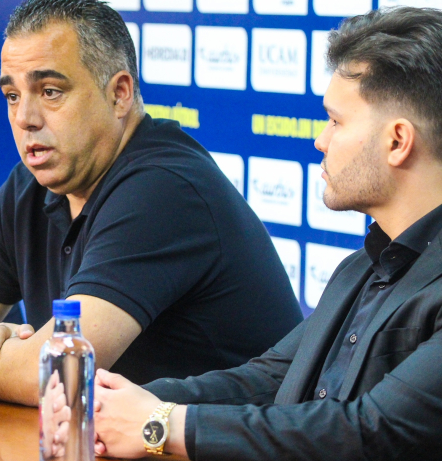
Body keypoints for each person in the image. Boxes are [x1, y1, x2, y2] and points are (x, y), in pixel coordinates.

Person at [0, 0, 302, 406]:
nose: (25, 118)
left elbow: (56, 373)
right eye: (12, 95)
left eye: (50, 92)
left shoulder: (164, 189)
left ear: (119, 94)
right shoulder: (32, 186)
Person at [92, 7, 442, 460]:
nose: (321, 139)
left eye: (336, 121)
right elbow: (268, 378)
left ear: (397, 141)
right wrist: (118, 402)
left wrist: (160, 424)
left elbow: (368, 432)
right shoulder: (361, 268)